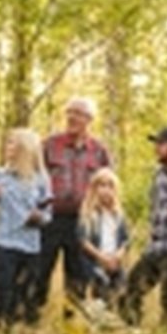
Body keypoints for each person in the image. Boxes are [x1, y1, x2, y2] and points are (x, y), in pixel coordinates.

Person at [35, 97, 112, 319]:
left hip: (83, 221)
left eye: (78, 113)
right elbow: (33, 180)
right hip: (50, 219)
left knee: (78, 274)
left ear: (89, 119)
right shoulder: (49, 146)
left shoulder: (99, 151)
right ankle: (31, 320)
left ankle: (72, 323)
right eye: (69, 112)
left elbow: (109, 184)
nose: (72, 117)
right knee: (40, 269)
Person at [0, 128, 53, 333]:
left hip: (30, 247)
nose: (7, 147)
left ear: (25, 149)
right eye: (7, 143)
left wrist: (39, 218)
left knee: (25, 293)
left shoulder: (40, 180)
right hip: (3, 244)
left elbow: (48, 214)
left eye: (12, 143)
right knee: (1, 291)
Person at [119, 127, 167, 328]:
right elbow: (155, 209)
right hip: (156, 246)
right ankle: (131, 329)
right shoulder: (158, 175)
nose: (156, 149)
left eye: (161, 144)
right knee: (131, 288)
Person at [76, 168, 130, 308]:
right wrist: (102, 258)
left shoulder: (118, 215)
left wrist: (118, 255)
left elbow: (125, 240)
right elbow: (83, 241)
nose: (106, 190)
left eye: (110, 186)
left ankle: (125, 324)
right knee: (101, 295)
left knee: (123, 293)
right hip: (96, 263)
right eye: (102, 185)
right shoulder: (89, 214)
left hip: (115, 262)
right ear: (94, 189)